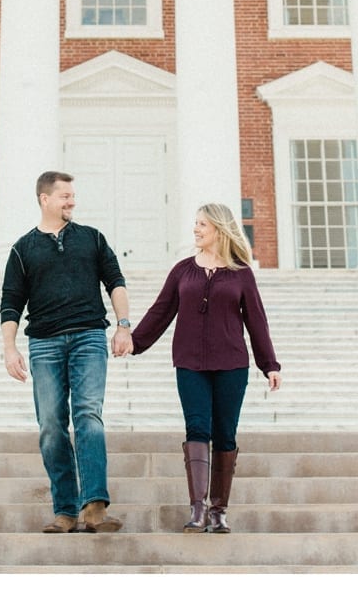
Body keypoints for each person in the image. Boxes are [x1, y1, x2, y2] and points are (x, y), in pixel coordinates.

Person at [129, 203, 282, 533]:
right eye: (195, 223)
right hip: (190, 364)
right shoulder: (183, 270)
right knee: (197, 428)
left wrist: (269, 364)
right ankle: (198, 509)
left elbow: (257, 320)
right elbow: (160, 311)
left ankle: (218, 511)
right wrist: (134, 342)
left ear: (219, 229)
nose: (196, 230)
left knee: (225, 434)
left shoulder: (241, 272)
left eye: (202, 225)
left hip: (231, 364)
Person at [0, 170, 133, 533]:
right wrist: (9, 349)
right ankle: (65, 510)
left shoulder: (91, 238)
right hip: (44, 343)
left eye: (73, 196)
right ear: (45, 199)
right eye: (65, 196)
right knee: (51, 426)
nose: (72, 201)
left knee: (89, 415)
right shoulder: (22, 248)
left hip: (89, 337)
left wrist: (124, 326)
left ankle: (94, 506)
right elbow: (11, 303)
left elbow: (115, 282)